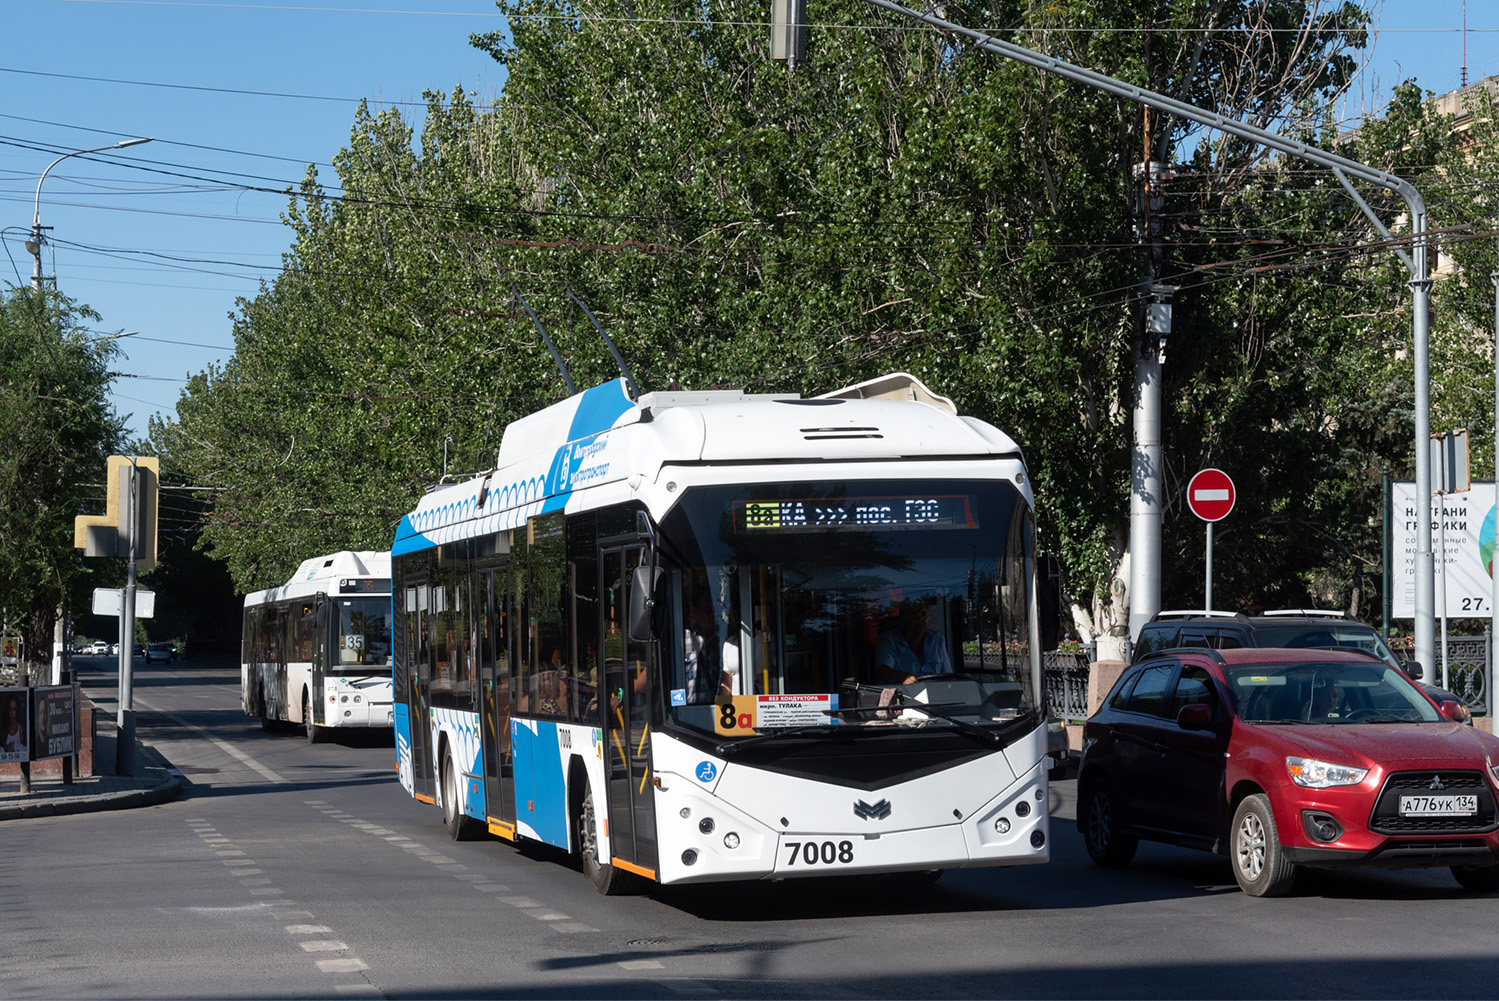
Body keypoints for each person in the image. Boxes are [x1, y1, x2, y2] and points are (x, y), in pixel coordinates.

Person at [875, 599, 953, 685]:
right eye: (914, 616)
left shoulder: (937, 640)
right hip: (903, 696)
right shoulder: (889, 640)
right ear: (903, 618)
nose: (919, 620)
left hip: (938, 696)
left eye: (923, 615)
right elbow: (882, 671)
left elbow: (948, 677)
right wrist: (901, 677)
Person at [684, 595, 731, 703]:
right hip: (689, 713)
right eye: (707, 611)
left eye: (714, 611)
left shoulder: (722, 641)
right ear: (696, 612)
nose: (712, 616)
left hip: (717, 711)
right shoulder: (684, 639)